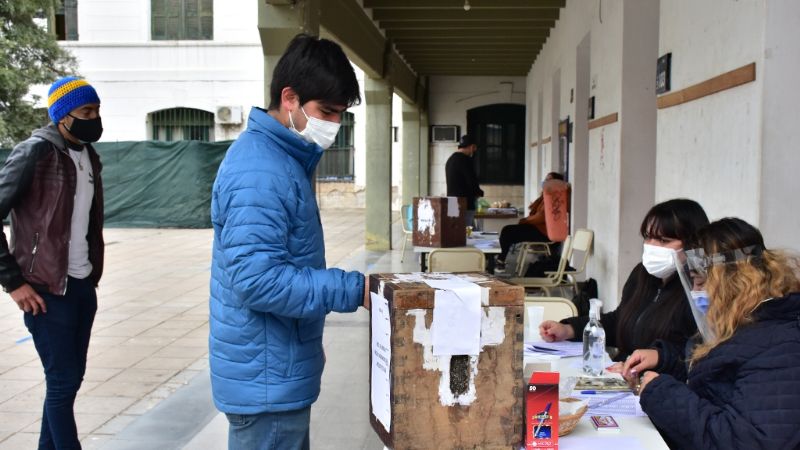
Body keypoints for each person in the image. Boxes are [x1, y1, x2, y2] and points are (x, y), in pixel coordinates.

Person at [209, 34, 370, 450]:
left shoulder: (281, 158)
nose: (334, 124)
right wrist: (354, 288)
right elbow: (257, 281)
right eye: (327, 112)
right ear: (290, 98)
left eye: (341, 114)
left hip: (274, 372)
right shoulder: (260, 170)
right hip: (266, 386)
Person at [625, 218, 800, 449]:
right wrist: (664, 359)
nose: (696, 293)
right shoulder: (750, 322)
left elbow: (746, 441)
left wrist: (661, 394)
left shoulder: (780, 346)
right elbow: (720, 375)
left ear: (732, 282)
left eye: (699, 282)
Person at [0, 76, 105, 449]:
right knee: (62, 383)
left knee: (70, 380)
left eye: (96, 110)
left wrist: (90, 276)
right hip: (45, 289)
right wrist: (13, 282)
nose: (94, 118)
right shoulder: (35, 152)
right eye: (86, 111)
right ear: (62, 116)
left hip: (80, 285)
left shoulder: (89, 155)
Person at [539, 199, 708, 362]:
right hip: (622, 373)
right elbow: (621, 320)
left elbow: (695, 351)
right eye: (648, 237)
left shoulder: (699, 289)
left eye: (664, 240)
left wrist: (658, 358)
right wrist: (569, 329)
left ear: (692, 243)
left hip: (658, 383)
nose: (652, 245)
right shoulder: (642, 274)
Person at [495, 172, 567, 269]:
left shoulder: (553, 198)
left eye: (549, 180)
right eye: (545, 179)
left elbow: (541, 217)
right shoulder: (546, 196)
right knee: (508, 231)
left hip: (543, 233)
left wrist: (525, 221)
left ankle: (500, 260)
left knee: (508, 231)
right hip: (538, 229)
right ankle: (500, 258)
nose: (545, 182)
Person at [445, 134, 483, 228]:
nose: (474, 151)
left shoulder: (451, 159)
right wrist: (479, 192)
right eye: (474, 148)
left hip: (452, 203)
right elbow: (471, 181)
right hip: (464, 203)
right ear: (471, 146)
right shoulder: (465, 160)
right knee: (465, 233)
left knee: (455, 231)